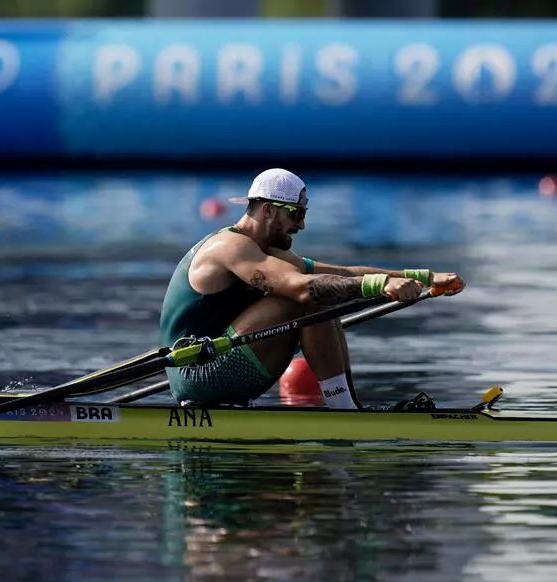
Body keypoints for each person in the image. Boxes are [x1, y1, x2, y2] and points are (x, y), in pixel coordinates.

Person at [160, 168, 465, 409]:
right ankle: (345, 410)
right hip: (197, 373)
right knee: (310, 297)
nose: (302, 225)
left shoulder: (266, 251)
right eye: (295, 213)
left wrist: (425, 277)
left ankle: (347, 405)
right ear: (267, 210)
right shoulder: (230, 247)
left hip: (219, 363)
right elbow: (303, 289)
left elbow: (343, 272)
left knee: (327, 287)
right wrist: (380, 286)